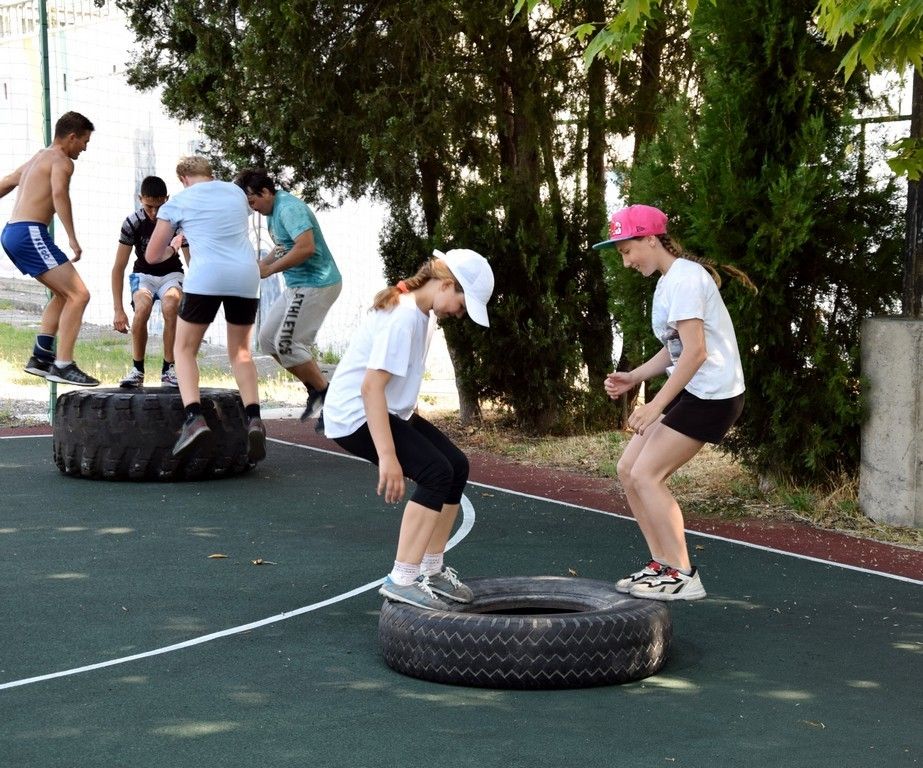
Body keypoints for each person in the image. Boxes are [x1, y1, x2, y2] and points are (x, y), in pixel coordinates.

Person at [593, 204, 753, 601]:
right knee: (628, 468)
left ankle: (683, 573)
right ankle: (662, 564)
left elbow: (696, 352)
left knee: (647, 474)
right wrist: (635, 376)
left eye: (628, 250)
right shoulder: (668, 281)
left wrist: (654, 405)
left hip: (713, 395)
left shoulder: (685, 280)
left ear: (651, 238)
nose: (626, 261)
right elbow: (675, 349)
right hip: (693, 390)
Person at [323, 249, 494, 610]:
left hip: (388, 410)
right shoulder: (402, 316)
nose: (460, 314)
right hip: (356, 415)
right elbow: (371, 387)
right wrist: (388, 457)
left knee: (456, 465)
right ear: (446, 285)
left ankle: (431, 569)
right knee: (435, 472)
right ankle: (402, 578)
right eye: (462, 305)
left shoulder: (422, 314)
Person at [145, 156, 266, 463]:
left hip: (206, 277)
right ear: (210, 174)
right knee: (240, 352)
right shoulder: (237, 193)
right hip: (245, 275)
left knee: (183, 349)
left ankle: (194, 418)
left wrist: (175, 245)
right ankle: (254, 418)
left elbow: (152, 255)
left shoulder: (179, 202)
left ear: (183, 178)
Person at [233, 169, 342, 432]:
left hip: (317, 282)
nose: (252, 209)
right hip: (297, 285)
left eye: (252, 201)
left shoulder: (289, 209)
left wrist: (271, 270)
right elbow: (284, 245)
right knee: (268, 340)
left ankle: (330, 398)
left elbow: (306, 247)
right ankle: (315, 389)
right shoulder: (272, 212)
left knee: (288, 343)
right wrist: (264, 263)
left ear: (266, 192)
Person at [0, 111, 98, 386]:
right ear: (71, 137)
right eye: (84, 141)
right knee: (80, 295)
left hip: (12, 232)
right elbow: (59, 195)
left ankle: (41, 357)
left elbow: (7, 182)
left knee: (63, 294)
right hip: (30, 232)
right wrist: (72, 238)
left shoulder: (37, 158)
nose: (85, 148)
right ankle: (64, 364)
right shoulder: (62, 161)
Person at [112, 175, 187, 388]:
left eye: (159, 206)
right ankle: (137, 369)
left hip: (171, 274)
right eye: (148, 206)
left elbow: (192, 261)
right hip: (143, 275)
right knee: (142, 307)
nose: (154, 213)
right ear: (140, 199)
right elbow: (118, 267)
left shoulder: (178, 223)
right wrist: (118, 309)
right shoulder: (132, 222)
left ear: (167, 199)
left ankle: (168, 369)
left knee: (171, 304)